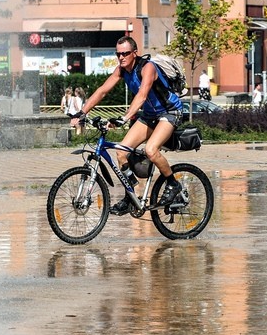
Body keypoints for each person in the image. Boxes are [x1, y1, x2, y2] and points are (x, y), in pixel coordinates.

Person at [69, 36, 183, 215]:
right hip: (150, 115)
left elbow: (142, 95)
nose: (121, 57)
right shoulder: (121, 70)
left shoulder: (148, 67)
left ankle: (173, 184)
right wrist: (82, 112)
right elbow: (102, 91)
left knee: (151, 150)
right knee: (121, 152)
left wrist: (125, 117)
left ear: (134, 53)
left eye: (125, 53)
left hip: (169, 112)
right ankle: (131, 197)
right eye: (118, 54)